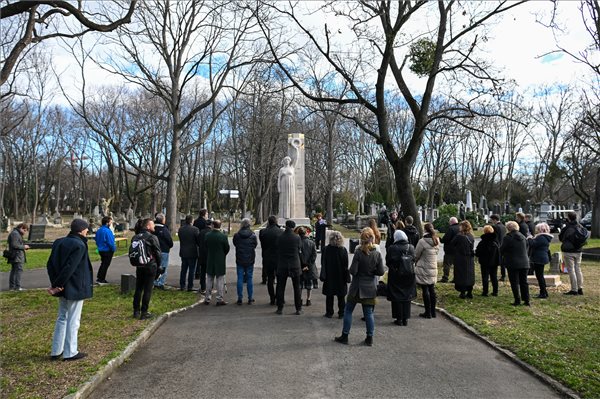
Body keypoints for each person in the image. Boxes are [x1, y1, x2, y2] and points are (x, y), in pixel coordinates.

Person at [47, 219, 93, 361]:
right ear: (81, 230)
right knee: (73, 320)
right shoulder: (79, 245)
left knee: (62, 317)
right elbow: (70, 267)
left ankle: (56, 350)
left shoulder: (59, 242)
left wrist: (56, 283)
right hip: (75, 286)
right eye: (86, 229)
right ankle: (70, 351)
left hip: (62, 286)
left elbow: (50, 264)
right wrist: (59, 283)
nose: (87, 232)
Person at [334, 228, 384, 346]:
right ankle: (369, 337)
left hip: (356, 287)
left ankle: (345, 335)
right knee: (368, 314)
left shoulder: (358, 253)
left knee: (348, 311)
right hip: (370, 287)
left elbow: (353, 271)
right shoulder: (376, 254)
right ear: (372, 238)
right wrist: (371, 272)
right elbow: (381, 271)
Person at [132, 218, 162, 318]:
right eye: (152, 224)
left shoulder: (136, 237)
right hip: (150, 265)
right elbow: (158, 253)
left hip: (139, 265)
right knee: (148, 289)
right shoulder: (152, 237)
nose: (154, 226)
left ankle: (136, 311)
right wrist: (159, 266)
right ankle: (144, 312)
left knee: (138, 288)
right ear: (148, 226)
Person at [386, 230, 416, 326]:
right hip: (409, 275)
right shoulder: (411, 247)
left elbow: (388, 261)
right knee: (407, 296)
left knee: (396, 296)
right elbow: (414, 259)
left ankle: (398, 318)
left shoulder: (392, 248)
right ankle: (405, 318)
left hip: (396, 274)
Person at [275, 220, 303, 315]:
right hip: (294, 264)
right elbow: (299, 248)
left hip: (282, 264)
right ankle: (298, 308)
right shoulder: (297, 238)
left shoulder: (280, 237)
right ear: (293, 227)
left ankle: (280, 307)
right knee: (297, 288)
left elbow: (277, 248)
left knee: (280, 287)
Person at [500, 221, 530, 306]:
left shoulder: (508, 237)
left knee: (514, 282)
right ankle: (526, 300)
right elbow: (527, 247)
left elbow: (502, 249)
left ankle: (517, 300)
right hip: (524, 262)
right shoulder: (523, 237)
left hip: (512, 262)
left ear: (508, 228)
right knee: (524, 282)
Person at [320, 231, 349, 318]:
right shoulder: (343, 250)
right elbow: (345, 264)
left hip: (329, 275)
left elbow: (323, 262)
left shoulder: (326, 249)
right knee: (341, 296)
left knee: (329, 295)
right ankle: (341, 313)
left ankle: (329, 312)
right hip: (340, 275)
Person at [414, 223, 439, 318]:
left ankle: (427, 312)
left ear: (425, 230)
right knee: (432, 289)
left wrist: (416, 262)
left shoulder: (422, 241)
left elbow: (416, 255)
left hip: (424, 267)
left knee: (425, 289)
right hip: (433, 267)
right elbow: (436, 252)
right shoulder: (436, 240)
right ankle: (433, 311)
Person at [559, 211, 586, 296]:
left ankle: (574, 289)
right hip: (578, 250)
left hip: (568, 251)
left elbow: (561, 238)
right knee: (578, 269)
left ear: (569, 218)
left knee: (571, 270)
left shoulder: (567, 227)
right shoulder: (580, 226)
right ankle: (580, 288)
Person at [204, 220, 230, 305]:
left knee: (209, 279)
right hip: (220, 260)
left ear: (212, 225)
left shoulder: (208, 235)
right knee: (220, 280)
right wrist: (222, 254)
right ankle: (219, 298)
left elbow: (206, 246)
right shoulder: (223, 236)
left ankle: (207, 298)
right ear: (220, 226)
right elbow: (227, 248)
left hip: (210, 259)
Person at [233, 218, 258, 305]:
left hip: (240, 258)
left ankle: (240, 298)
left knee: (239, 278)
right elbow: (255, 245)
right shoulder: (253, 235)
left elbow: (235, 244)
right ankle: (250, 298)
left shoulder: (237, 235)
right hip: (250, 259)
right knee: (249, 278)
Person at [259, 216, 283, 305]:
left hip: (267, 257)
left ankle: (272, 298)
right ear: (276, 221)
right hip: (278, 258)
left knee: (270, 279)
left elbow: (263, 245)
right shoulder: (281, 232)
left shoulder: (263, 232)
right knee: (280, 279)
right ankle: (279, 297)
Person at [528, 222, 553, 299]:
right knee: (540, 276)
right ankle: (544, 292)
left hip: (539, 258)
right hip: (541, 257)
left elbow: (533, 244)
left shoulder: (541, 237)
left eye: (537, 229)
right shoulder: (544, 237)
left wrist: (529, 238)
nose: (536, 230)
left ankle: (543, 293)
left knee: (540, 276)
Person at [451, 220, 475, 299]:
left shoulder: (459, 236)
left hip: (460, 258)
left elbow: (452, 244)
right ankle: (470, 291)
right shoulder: (471, 236)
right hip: (469, 258)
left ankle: (462, 292)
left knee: (461, 275)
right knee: (469, 274)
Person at [475, 225, 500, 297]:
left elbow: (478, 252)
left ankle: (485, 292)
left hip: (484, 262)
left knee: (485, 277)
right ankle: (495, 291)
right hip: (494, 262)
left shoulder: (483, 242)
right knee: (494, 277)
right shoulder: (495, 241)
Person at [178, 215, 200, 291]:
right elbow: (198, 241)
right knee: (192, 270)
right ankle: (190, 286)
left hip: (183, 251)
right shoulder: (195, 229)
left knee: (183, 270)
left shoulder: (181, 229)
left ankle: (182, 285)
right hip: (192, 252)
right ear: (191, 221)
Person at [297, 226, 317, 306]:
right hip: (310, 267)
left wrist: (302, 265)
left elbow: (297, 255)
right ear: (306, 233)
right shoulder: (311, 242)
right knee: (309, 284)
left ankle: (300, 299)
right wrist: (308, 265)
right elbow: (314, 255)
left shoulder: (297, 242)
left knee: (300, 284)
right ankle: (308, 299)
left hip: (300, 266)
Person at [153, 213, 173, 289]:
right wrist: (169, 246)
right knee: (163, 266)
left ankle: (155, 281)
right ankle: (160, 283)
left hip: (154, 250)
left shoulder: (153, 228)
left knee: (156, 265)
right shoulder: (164, 229)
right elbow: (169, 240)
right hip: (164, 250)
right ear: (162, 220)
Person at [7, 223, 29, 291]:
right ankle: (17, 287)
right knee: (18, 271)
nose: (25, 232)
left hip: (16, 255)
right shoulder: (15, 234)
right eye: (24, 230)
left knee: (14, 271)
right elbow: (14, 245)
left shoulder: (16, 233)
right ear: (21, 227)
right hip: (16, 256)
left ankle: (12, 287)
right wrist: (24, 247)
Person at [94, 216, 116, 285]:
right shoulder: (107, 231)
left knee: (103, 263)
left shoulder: (99, 230)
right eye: (110, 222)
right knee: (105, 264)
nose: (111, 223)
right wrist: (113, 249)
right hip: (107, 250)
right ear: (107, 223)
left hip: (101, 249)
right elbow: (110, 241)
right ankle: (101, 279)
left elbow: (96, 239)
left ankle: (99, 277)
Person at [439, 217, 460, 283]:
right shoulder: (460, 228)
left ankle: (445, 277)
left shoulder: (451, 229)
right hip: (458, 250)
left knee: (447, 264)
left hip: (449, 250)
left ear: (451, 222)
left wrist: (440, 239)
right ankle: (456, 278)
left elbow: (446, 239)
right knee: (456, 265)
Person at [489, 214, 507, 281]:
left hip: (496, 246)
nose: (491, 221)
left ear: (495, 220)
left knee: (494, 262)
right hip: (502, 245)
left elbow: (493, 237)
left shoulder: (494, 227)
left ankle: (493, 276)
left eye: (492, 220)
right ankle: (503, 275)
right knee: (502, 262)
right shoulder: (503, 226)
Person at [197, 221, 212, 294]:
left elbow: (198, 242)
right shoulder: (211, 232)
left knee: (202, 272)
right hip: (210, 255)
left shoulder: (201, 232)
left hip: (202, 254)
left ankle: (203, 287)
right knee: (210, 272)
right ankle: (210, 287)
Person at [193, 208, 208, 280]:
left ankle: (196, 273)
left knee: (197, 259)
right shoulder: (204, 222)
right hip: (202, 241)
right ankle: (201, 273)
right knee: (201, 259)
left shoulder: (195, 221)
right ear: (204, 214)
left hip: (196, 240)